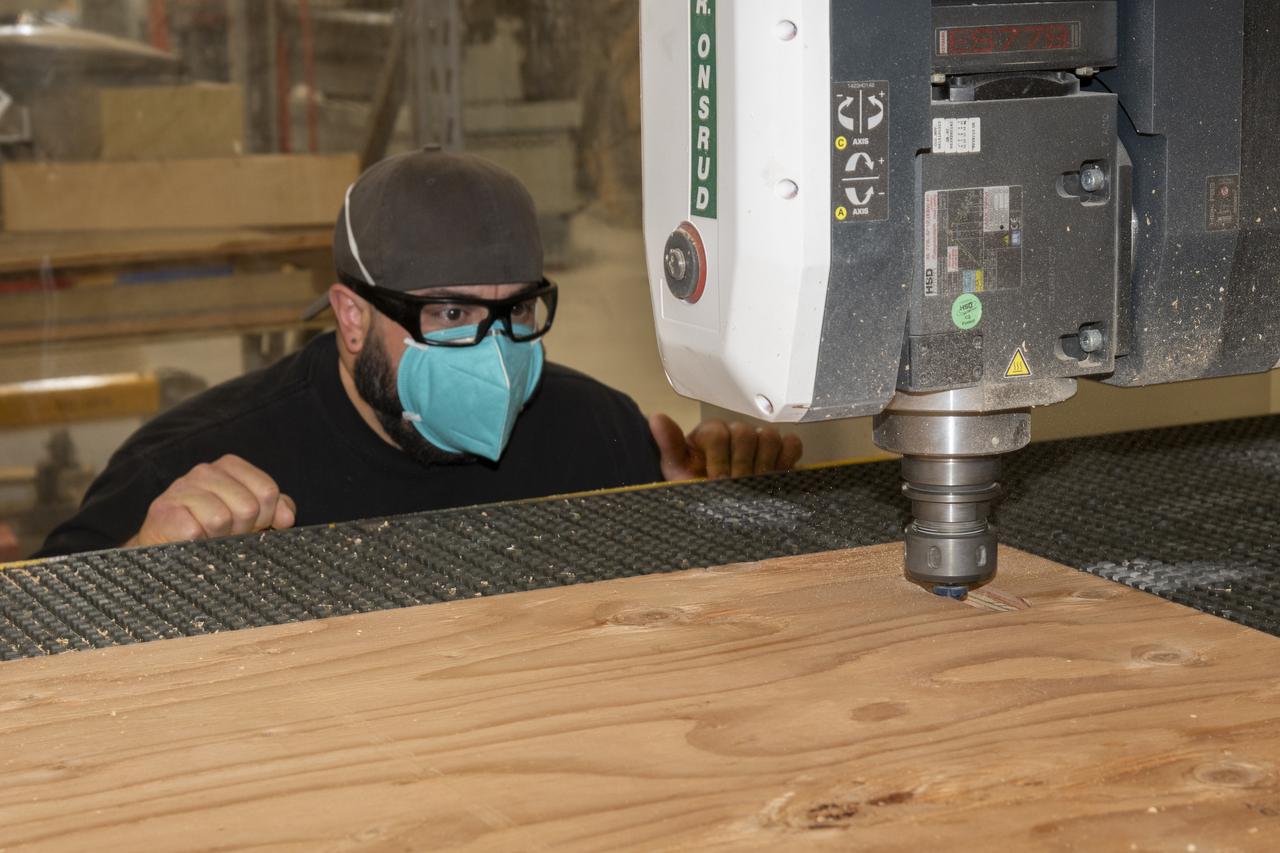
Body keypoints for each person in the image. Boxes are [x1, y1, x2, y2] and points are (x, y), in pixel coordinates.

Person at [35, 149, 801, 557]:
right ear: (352, 318)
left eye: (517, 310)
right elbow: (38, 657)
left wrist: (716, 513)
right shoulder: (193, 467)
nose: (496, 353)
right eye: (451, 312)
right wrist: (143, 559)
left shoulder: (598, 434)